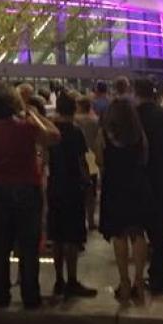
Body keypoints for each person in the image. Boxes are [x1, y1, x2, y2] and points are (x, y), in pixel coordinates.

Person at [0, 83, 58, 309]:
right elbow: (53, 136)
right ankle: (30, 294)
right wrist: (34, 114)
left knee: (1, 244)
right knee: (28, 245)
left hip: (0, 189)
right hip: (26, 187)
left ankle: (0, 293)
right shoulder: (26, 128)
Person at [99, 96, 151, 303]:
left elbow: (99, 159)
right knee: (138, 233)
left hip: (115, 187)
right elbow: (145, 157)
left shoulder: (105, 135)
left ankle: (125, 282)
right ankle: (139, 281)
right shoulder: (139, 135)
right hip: (137, 185)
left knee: (119, 234)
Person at [46, 90, 96, 298]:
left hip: (54, 184)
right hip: (72, 186)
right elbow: (81, 160)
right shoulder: (75, 132)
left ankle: (59, 278)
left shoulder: (51, 130)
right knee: (72, 237)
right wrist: (88, 182)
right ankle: (72, 279)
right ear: (73, 109)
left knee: (57, 235)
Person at [134, 79, 163, 294]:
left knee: (147, 231)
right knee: (162, 233)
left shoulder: (135, 116)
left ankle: (158, 278)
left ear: (136, 92)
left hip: (145, 180)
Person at [73, 95, 100, 233]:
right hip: (92, 157)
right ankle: (91, 220)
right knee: (91, 190)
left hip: (78, 157)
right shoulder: (95, 120)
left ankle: (80, 220)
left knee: (79, 191)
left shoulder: (75, 120)